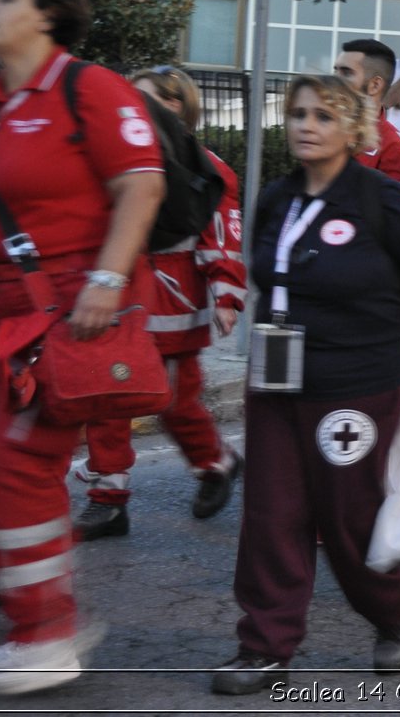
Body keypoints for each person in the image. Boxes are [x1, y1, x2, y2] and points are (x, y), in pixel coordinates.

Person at [212, 76, 400, 694]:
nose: (305, 125)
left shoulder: (383, 199)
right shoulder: (277, 197)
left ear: (352, 128)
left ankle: (391, 609)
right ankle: (264, 643)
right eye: (297, 114)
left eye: (322, 115)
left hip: (356, 382)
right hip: (276, 375)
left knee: (347, 516)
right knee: (270, 511)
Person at [0, 0, 165, 695]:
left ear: (46, 15)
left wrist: (108, 281)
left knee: (17, 465)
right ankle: (16, 598)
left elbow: (142, 183)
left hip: (59, 315)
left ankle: (44, 632)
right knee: (0, 466)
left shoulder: (88, 89)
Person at [72, 67, 246, 542]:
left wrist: (227, 294)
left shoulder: (205, 165)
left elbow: (222, 236)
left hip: (173, 298)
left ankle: (217, 461)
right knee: (108, 390)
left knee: (174, 401)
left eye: (157, 102)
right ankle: (109, 497)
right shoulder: (114, 158)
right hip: (122, 291)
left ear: (180, 109)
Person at [334, 39, 400, 189]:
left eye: (346, 73)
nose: (334, 81)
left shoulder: (397, 151)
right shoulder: (325, 133)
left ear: (375, 85)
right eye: (335, 71)